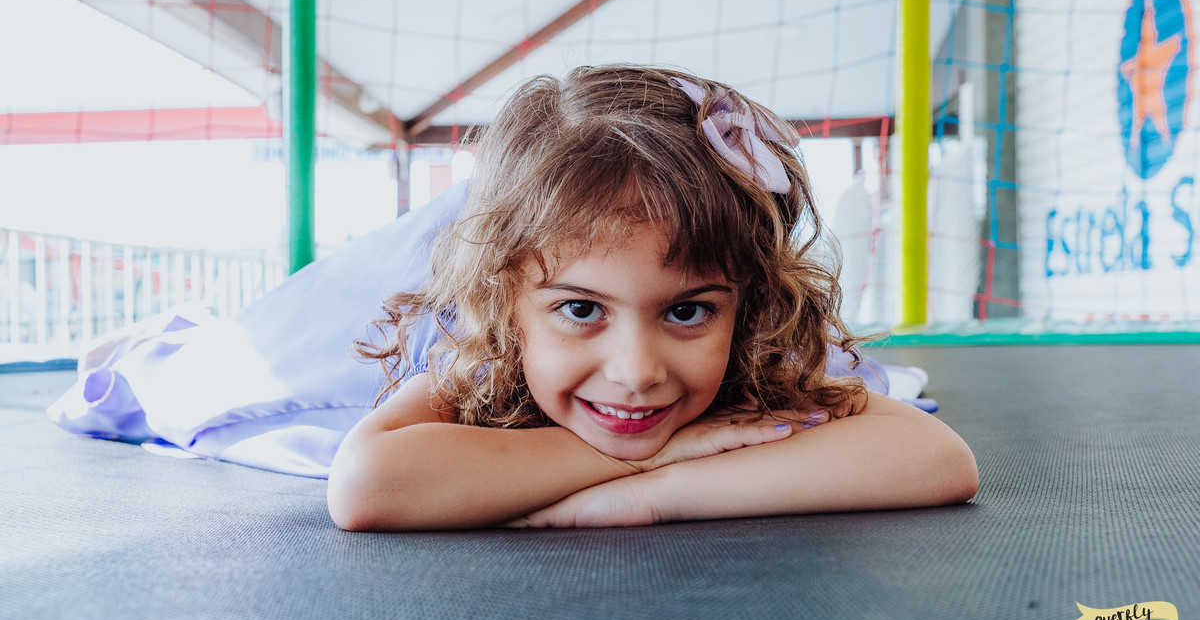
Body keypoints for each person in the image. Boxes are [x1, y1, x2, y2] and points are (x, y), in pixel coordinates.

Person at [326, 65, 978, 531]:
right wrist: (643, 453)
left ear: (745, 307)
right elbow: (365, 484)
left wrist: (655, 494)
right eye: (581, 310)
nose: (637, 372)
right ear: (506, 305)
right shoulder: (483, 367)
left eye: (688, 311)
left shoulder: (749, 367)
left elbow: (939, 461)